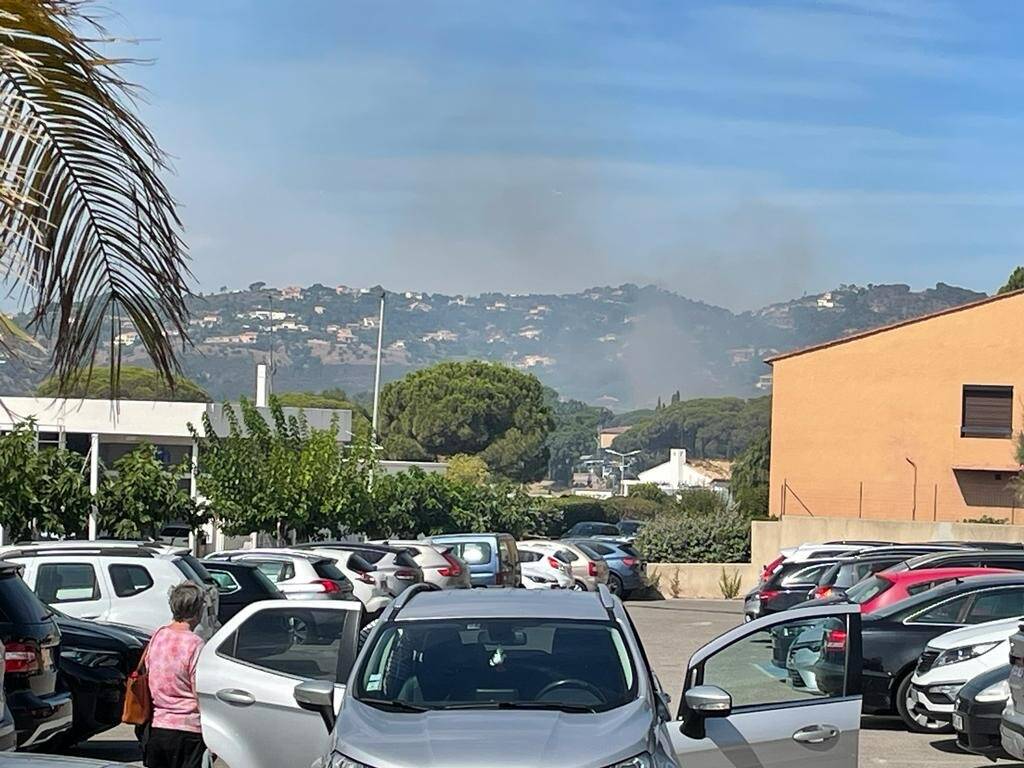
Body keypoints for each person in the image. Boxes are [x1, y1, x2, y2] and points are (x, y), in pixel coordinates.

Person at [142, 582, 208, 768]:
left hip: (158, 726)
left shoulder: (158, 636)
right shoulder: (195, 644)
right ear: (197, 610)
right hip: (189, 729)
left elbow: (148, 673)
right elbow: (198, 690)